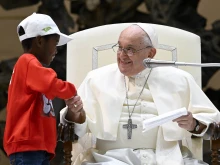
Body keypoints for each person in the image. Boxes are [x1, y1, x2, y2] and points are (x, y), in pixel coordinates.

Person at [61, 24, 220, 165]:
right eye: (120, 47)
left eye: (130, 49)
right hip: (109, 158)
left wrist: (194, 124)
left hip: (168, 157)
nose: (122, 55)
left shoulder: (180, 79)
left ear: (151, 53)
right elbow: (77, 124)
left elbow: (212, 120)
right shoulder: (96, 78)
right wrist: (76, 113)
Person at [3, 13, 85, 165]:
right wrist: (73, 90)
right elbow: (52, 85)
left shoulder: (31, 69)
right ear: (40, 40)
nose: (56, 50)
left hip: (35, 148)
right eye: (55, 43)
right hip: (28, 148)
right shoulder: (27, 62)